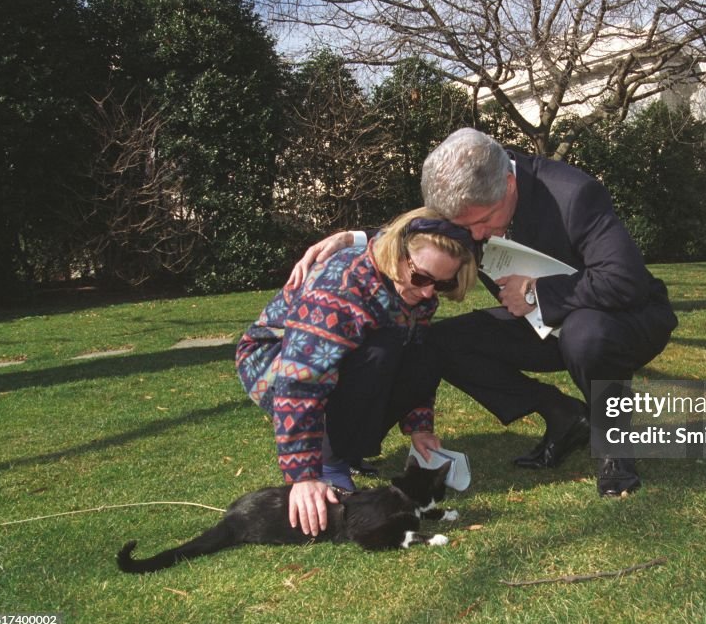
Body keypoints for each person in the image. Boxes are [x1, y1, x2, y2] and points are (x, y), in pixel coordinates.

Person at [289, 128, 677, 497]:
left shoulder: (573, 194)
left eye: (483, 222)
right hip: (540, 323)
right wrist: (354, 238)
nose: (473, 236)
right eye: (463, 225)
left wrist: (535, 291)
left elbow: (626, 280)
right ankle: (561, 414)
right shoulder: (470, 202)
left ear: (508, 185)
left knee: (585, 334)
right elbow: (424, 234)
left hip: (622, 320)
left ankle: (614, 447)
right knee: (440, 343)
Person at [238, 206, 477, 537]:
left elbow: (418, 357)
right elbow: (301, 380)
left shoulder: (418, 288)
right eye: (422, 278)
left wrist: (420, 426)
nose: (428, 292)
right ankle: (329, 459)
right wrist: (303, 475)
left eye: (442, 283)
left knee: (429, 346)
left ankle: (344, 446)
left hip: (344, 361)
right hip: (278, 367)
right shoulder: (338, 288)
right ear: (398, 253)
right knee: (379, 352)